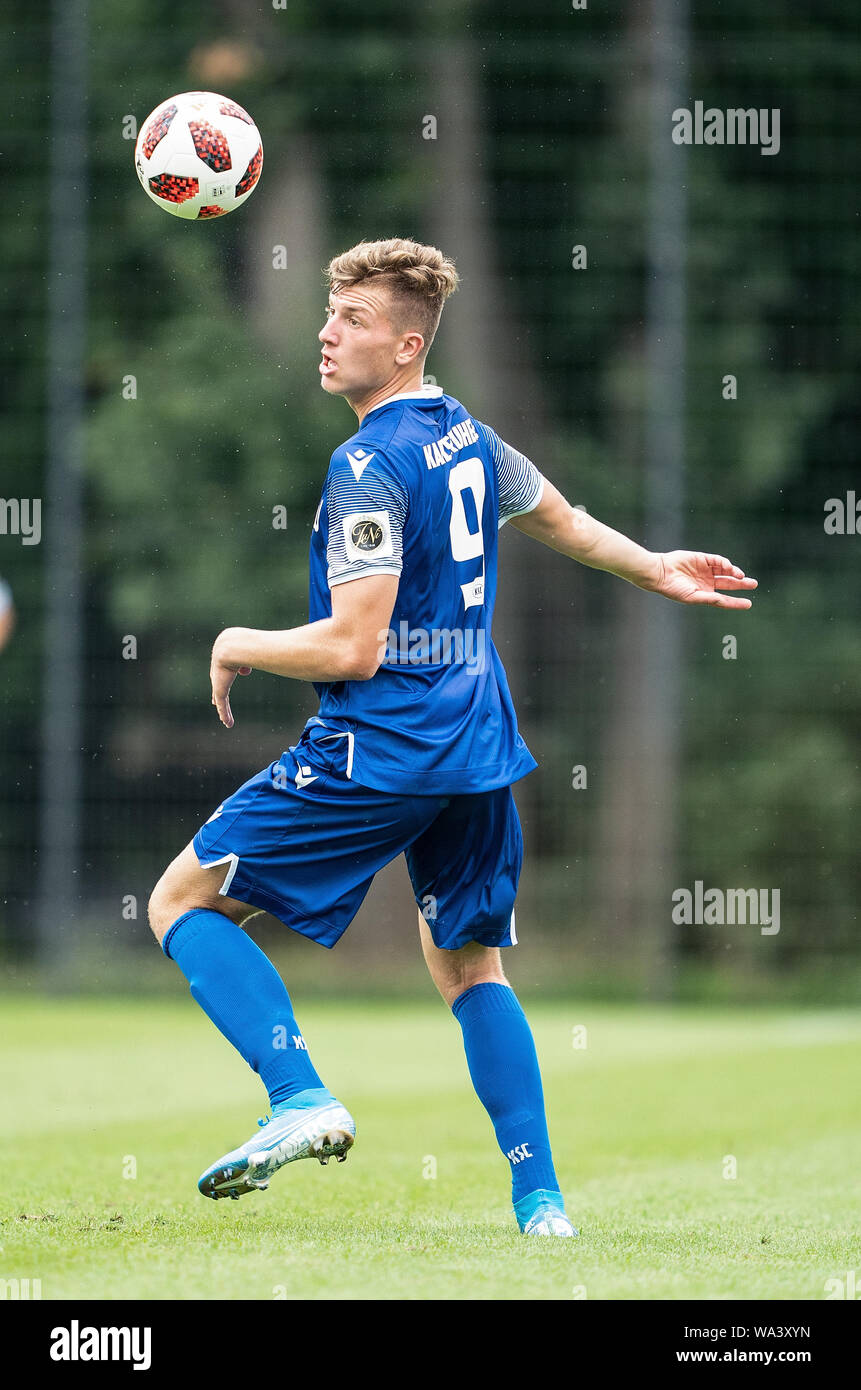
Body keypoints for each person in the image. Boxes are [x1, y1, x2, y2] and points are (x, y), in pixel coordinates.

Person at [148, 238, 756, 1237]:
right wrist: (655, 567)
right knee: (471, 966)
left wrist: (238, 642)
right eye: (329, 311)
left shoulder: (367, 463)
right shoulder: (464, 434)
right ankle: (542, 1204)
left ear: (406, 342)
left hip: (387, 740)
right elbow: (559, 518)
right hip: (479, 738)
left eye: (351, 318)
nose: (325, 330)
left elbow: (354, 644)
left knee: (180, 898)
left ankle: (300, 1095)